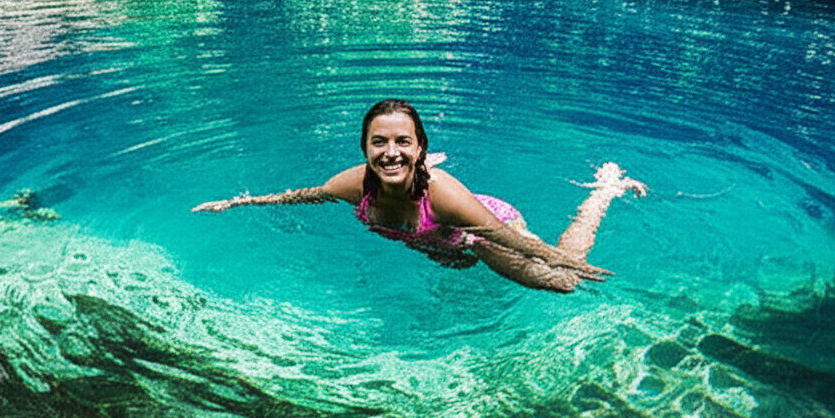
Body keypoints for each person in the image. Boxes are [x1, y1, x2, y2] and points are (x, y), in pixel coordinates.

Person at [192, 99, 647, 293]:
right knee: (454, 269)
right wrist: (237, 203)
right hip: (433, 241)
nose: (389, 152)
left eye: (403, 143)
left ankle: (604, 193)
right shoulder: (350, 184)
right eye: (379, 143)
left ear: (420, 148)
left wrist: (569, 263)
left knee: (559, 284)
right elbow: (304, 196)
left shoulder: (442, 194)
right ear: (364, 148)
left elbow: (505, 237)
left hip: (477, 228)